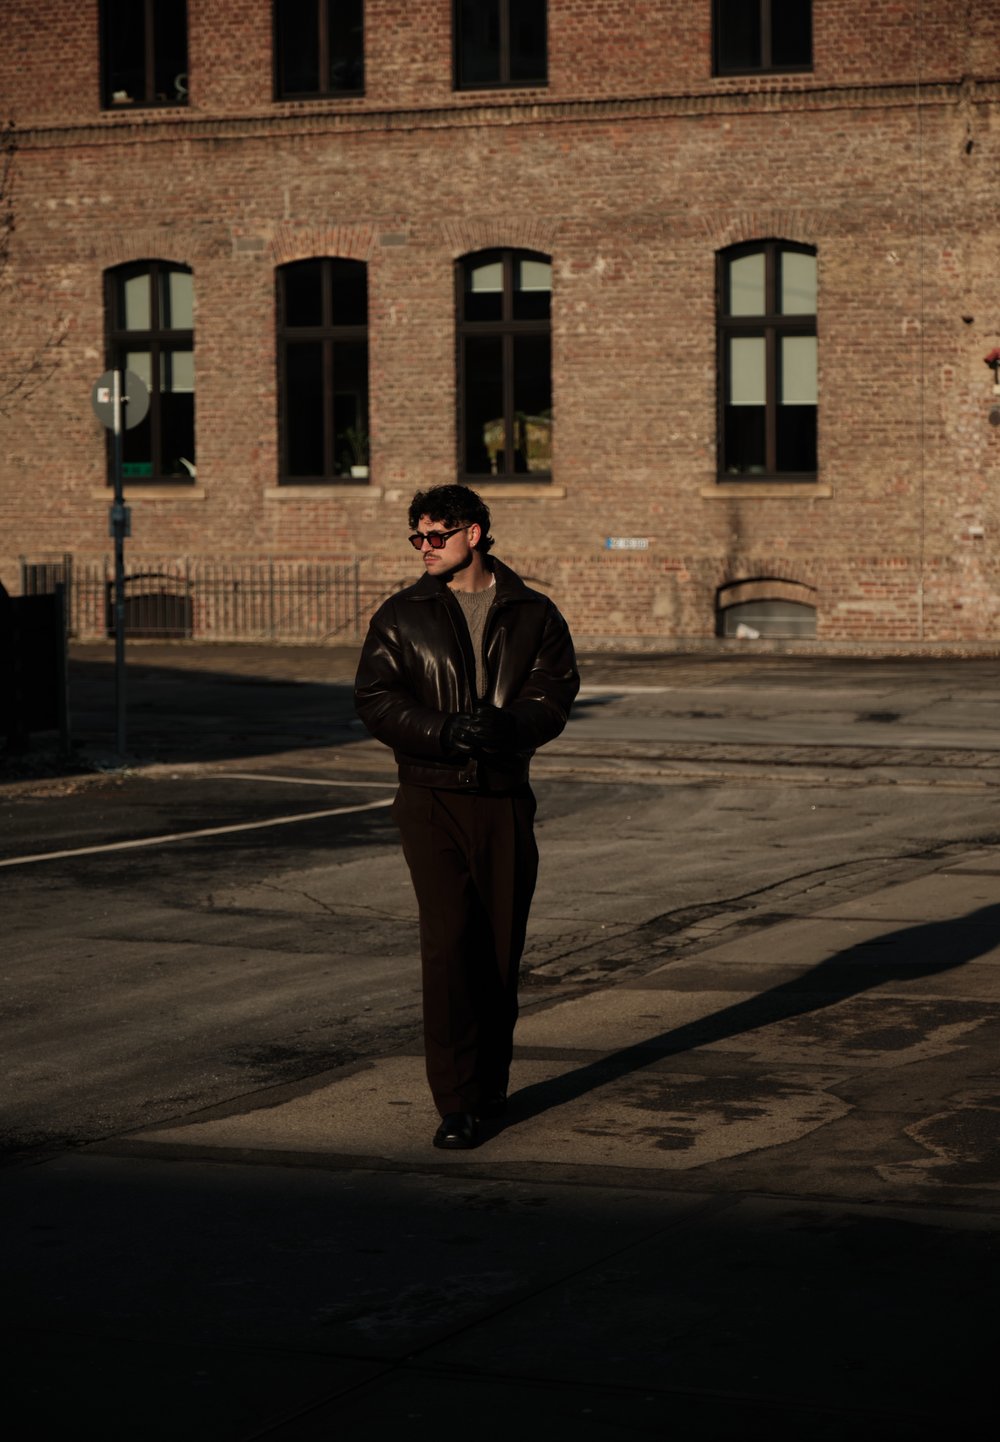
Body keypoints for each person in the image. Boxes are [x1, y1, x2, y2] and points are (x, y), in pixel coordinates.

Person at [354, 484, 579, 1150]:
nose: (425, 547)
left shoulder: (533, 613)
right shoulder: (402, 615)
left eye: (437, 535)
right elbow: (375, 698)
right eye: (417, 537)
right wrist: (446, 732)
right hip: (430, 798)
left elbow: (555, 694)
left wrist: (508, 727)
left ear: (474, 533)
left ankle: (488, 1086)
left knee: (498, 947)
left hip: (505, 798)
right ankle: (454, 1102)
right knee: (449, 945)